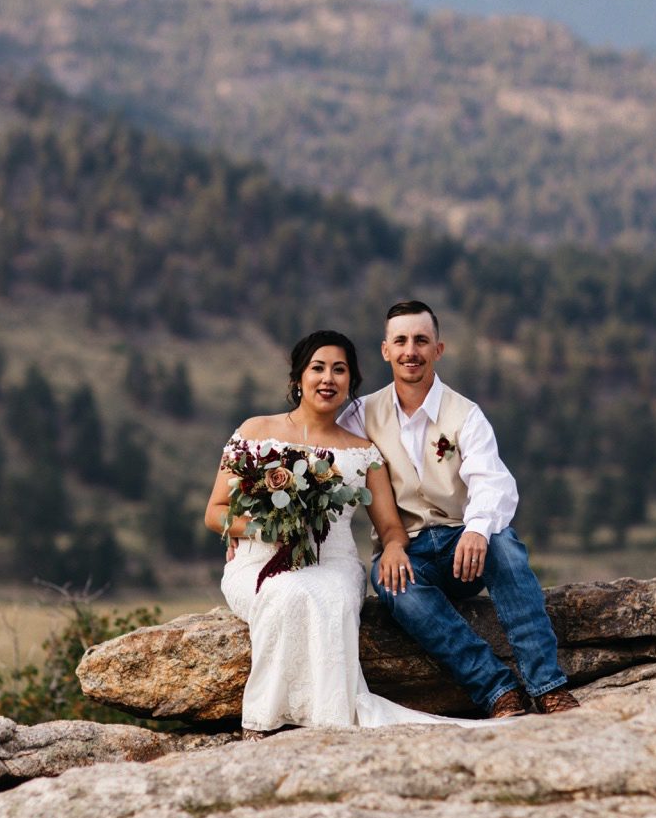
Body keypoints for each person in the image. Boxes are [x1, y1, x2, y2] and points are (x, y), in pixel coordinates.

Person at [205, 329, 492, 737]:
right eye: (318, 368)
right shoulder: (255, 431)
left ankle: (329, 722)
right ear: (297, 378)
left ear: (350, 384)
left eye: (339, 370)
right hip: (259, 560)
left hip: (333, 561)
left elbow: (391, 527)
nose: (328, 379)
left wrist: (394, 548)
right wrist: (266, 527)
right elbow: (215, 512)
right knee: (285, 592)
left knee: (330, 596)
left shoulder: (363, 451)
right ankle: (264, 720)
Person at [340, 300, 579, 718]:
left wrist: (476, 529)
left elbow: (491, 480)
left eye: (421, 340)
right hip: (407, 548)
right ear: (385, 350)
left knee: (504, 544)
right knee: (390, 582)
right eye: (401, 341)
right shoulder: (361, 415)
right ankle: (498, 690)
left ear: (439, 349)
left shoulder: (465, 414)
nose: (410, 350)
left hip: (461, 547)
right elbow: (323, 460)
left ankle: (548, 686)